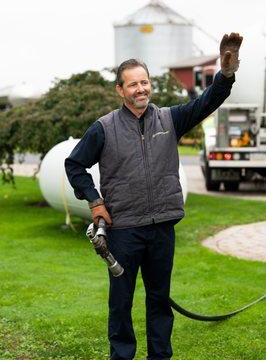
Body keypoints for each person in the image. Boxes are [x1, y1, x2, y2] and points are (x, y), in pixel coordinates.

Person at [65, 32, 243, 360]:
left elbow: (208, 101)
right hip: (124, 231)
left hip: (162, 228)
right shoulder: (104, 128)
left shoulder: (170, 119)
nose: (141, 89)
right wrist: (95, 201)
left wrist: (226, 74)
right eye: (133, 84)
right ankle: (122, 356)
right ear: (120, 90)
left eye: (144, 82)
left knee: (159, 301)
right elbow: (74, 165)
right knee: (121, 302)